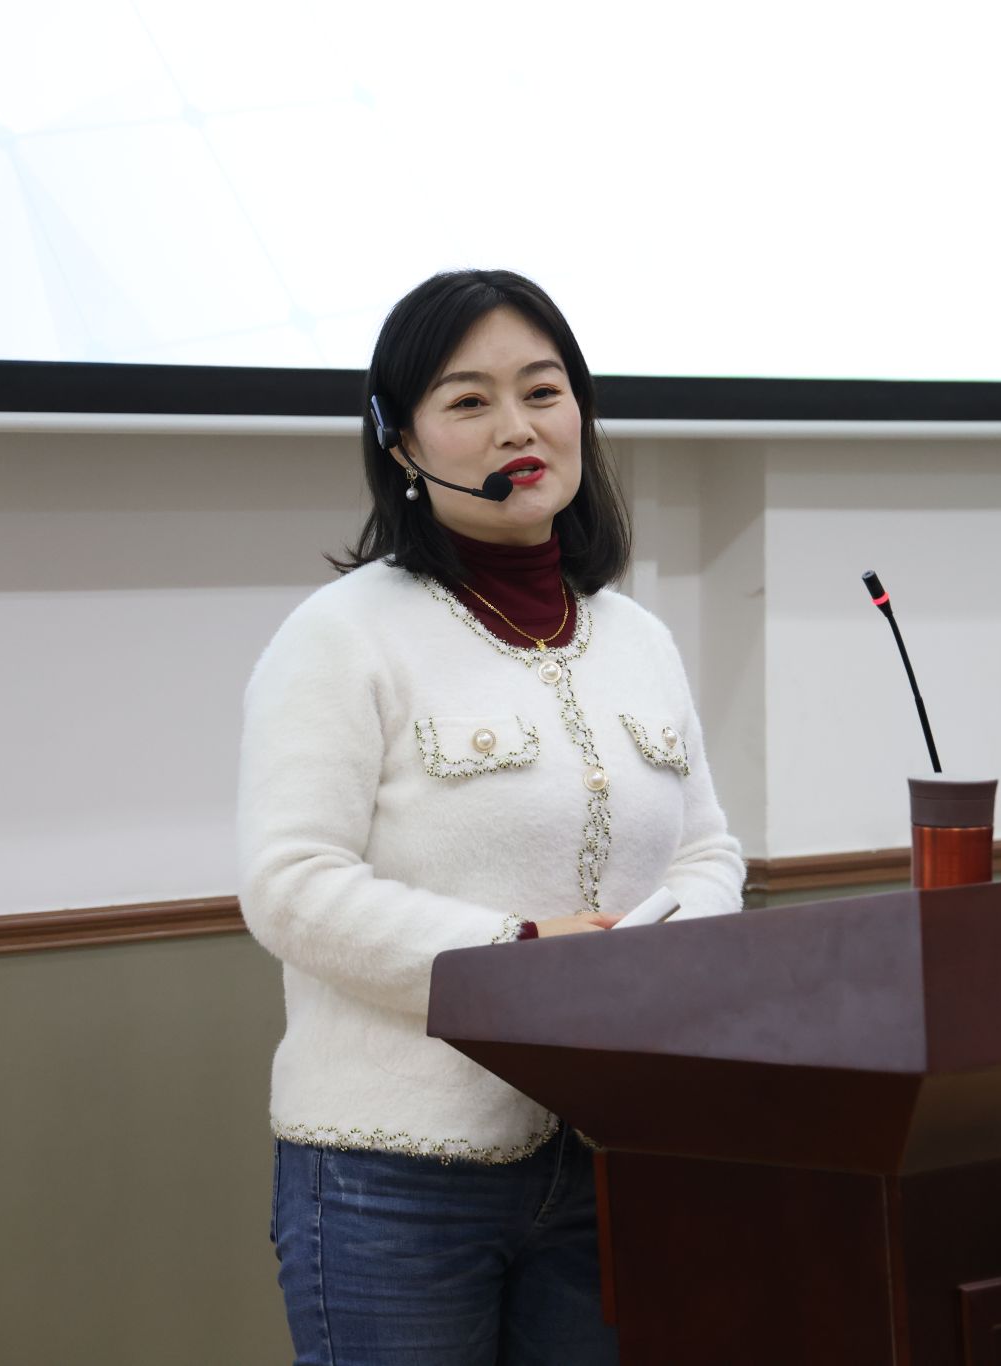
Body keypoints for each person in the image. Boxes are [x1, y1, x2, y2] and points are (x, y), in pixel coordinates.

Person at [238, 268, 745, 1365]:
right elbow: (290, 885)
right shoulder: (341, 635)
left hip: (611, 1152)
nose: (517, 426)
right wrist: (516, 957)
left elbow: (707, 850)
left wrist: (651, 956)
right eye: (469, 401)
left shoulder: (639, 639)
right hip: (393, 1173)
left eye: (543, 391)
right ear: (400, 443)